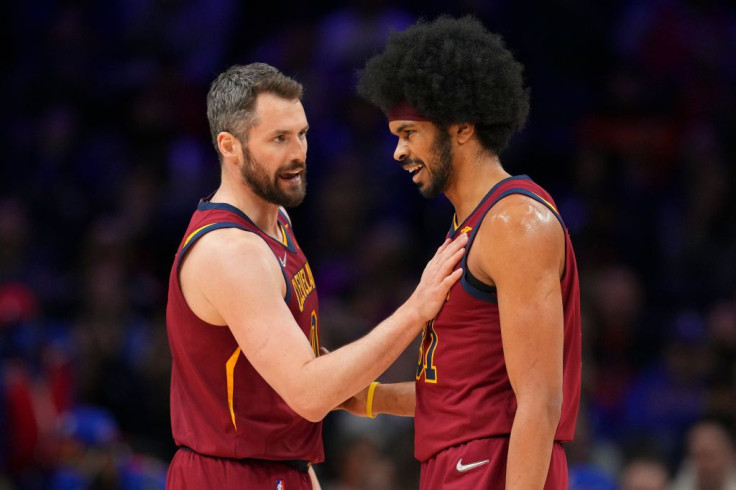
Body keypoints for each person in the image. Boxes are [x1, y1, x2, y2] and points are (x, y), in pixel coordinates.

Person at [164, 63, 467, 490]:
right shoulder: (231, 254)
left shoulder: (277, 221)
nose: (299, 153)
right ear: (229, 147)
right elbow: (308, 394)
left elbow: (295, 370)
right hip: (229, 475)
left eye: (302, 133)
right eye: (279, 139)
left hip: (280, 466)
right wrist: (416, 310)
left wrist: (304, 467)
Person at [352, 16, 582, 489]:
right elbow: (462, 392)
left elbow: (539, 401)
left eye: (409, 132)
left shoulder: (514, 223)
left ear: (460, 127)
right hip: (458, 463)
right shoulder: (469, 225)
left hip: (491, 466)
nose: (397, 151)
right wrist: (365, 397)